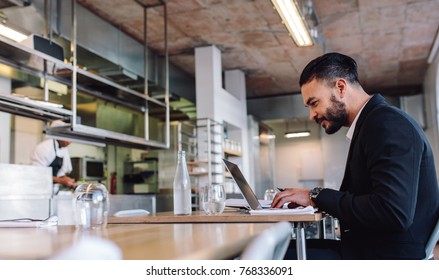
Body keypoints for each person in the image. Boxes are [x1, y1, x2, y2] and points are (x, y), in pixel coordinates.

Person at [271, 52, 439, 260]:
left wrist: (316, 195)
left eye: (314, 103)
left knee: (271, 256)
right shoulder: (373, 124)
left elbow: (392, 212)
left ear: (340, 88)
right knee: (279, 248)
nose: (312, 115)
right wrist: (315, 199)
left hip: (387, 259)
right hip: (370, 248)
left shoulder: (387, 125)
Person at [31, 120, 76, 192]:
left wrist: (68, 180)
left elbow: (61, 173)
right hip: (39, 189)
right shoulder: (44, 148)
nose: (70, 141)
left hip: (52, 190)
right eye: (67, 137)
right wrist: (60, 181)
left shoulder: (64, 149)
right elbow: (38, 174)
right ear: (59, 135)